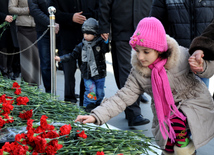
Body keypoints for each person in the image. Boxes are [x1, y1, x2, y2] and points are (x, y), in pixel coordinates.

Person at [75, 17, 214, 155]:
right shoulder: (139, 72)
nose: (140, 57)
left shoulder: (180, 56)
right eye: (137, 50)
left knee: (176, 123)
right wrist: (96, 115)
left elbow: (208, 69)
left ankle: (187, 152)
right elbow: (122, 98)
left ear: (159, 49)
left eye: (146, 52)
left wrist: (201, 67)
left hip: (194, 103)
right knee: (168, 144)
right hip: (164, 112)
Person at [99, 0, 152, 126]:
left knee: (141, 70)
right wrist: (104, 27)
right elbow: (105, 3)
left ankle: (133, 104)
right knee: (125, 71)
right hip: (122, 30)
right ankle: (134, 113)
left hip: (144, 31)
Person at [149, 0, 214, 88]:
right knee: (171, 100)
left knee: (199, 100)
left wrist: (204, 50)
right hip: (173, 64)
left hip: (201, 62)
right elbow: (155, 27)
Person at [50, 0, 99, 104]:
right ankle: (69, 100)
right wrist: (71, 17)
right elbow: (54, 12)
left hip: (88, 39)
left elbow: (99, 10)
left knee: (86, 72)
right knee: (68, 72)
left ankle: (84, 101)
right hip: (68, 37)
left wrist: (85, 18)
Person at [55, 18, 109, 112]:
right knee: (90, 91)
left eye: (88, 33)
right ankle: (88, 107)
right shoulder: (81, 45)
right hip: (87, 74)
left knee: (100, 93)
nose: (86, 36)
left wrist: (106, 41)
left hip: (99, 74)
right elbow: (72, 55)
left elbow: (106, 50)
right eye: (84, 33)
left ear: (95, 34)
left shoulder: (100, 43)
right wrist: (61, 58)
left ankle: (98, 106)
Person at [27, 0, 59, 93]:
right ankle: (50, 92)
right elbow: (34, 10)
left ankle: (69, 94)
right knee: (46, 63)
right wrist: (50, 22)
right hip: (43, 29)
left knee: (67, 62)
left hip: (63, 27)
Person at [8, 0, 41, 86]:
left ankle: (35, 85)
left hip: (38, 26)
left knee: (36, 57)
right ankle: (27, 85)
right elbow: (11, 8)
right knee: (26, 57)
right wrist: (27, 10)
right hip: (23, 26)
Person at [0, 0, 19, 80]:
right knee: (3, 48)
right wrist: (4, 17)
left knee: (12, 48)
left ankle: (10, 70)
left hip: (13, 25)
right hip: (2, 25)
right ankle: (4, 71)